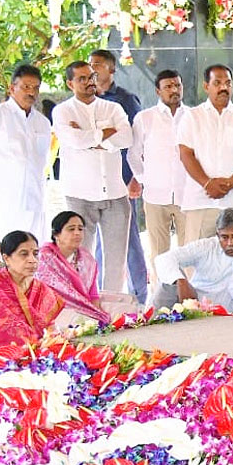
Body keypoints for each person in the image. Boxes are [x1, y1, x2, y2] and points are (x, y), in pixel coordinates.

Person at [51, 60, 133, 293]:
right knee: (81, 258)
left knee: (116, 259)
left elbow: (126, 138)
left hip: (116, 194)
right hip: (80, 195)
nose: (89, 83)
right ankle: (85, 306)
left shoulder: (112, 108)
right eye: (82, 79)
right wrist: (106, 135)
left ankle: (114, 309)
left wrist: (91, 138)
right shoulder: (63, 111)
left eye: (92, 77)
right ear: (70, 83)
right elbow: (73, 140)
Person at [89, 48, 148, 305]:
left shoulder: (125, 99)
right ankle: (103, 295)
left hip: (123, 181)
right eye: (90, 65)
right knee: (100, 243)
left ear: (111, 69)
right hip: (93, 183)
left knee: (129, 240)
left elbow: (135, 141)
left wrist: (135, 177)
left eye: (98, 64)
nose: (92, 69)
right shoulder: (85, 101)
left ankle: (140, 297)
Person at [177, 64, 233, 241]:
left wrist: (230, 184)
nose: (223, 87)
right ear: (206, 86)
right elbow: (185, 154)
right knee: (196, 262)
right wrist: (207, 184)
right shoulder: (192, 116)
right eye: (217, 83)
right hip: (201, 200)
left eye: (228, 83)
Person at [0, 64, 52, 241]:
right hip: (3, 198)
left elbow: (43, 160)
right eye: (25, 87)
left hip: (34, 197)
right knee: (5, 246)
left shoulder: (43, 123)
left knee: (32, 247)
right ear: (11, 88)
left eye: (35, 88)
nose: (31, 92)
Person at [0, 230, 64, 355]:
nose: (32, 260)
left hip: (39, 348)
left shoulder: (39, 288)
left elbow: (50, 325)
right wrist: (41, 343)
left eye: (35, 254)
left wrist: (52, 336)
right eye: (24, 254)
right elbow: (2, 336)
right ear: (6, 258)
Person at [153, 208, 233, 311]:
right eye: (224, 237)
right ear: (217, 235)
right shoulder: (207, 246)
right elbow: (163, 259)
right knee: (167, 284)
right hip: (193, 308)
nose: (231, 243)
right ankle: (152, 329)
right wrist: (180, 280)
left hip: (230, 317)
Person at [129, 69, 191, 264]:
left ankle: (190, 294)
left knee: (189, 252)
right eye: (168, 87)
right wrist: (144, 180)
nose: (174, 90)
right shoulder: (145, 118)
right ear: (158, 91)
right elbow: (133, 153)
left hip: (187, 195)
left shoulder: (193, 116)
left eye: (177, 85)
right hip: (156, 196)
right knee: (159, 253)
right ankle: (161, 293)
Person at [34, 210, 123, 325]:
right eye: (71, 229)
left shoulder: (87, 259)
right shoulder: (44, 258)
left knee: (127, 309)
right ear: (56, 234)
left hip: (84, 307)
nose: (77, 233)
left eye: (80, 229)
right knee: (81, 320)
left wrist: (96, 313)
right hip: (55, 311)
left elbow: (93, 294)